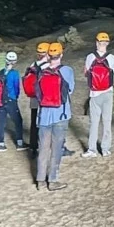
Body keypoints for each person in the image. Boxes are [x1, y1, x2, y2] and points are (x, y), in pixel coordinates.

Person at [35, 41, 77, 191]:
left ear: (48, 55)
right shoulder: (67, 70)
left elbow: (37, 93)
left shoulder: (41, 71)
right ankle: (52, 181)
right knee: (56, 149)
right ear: (61, 54)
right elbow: (70, 90)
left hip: (44, 116)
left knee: (43, 148)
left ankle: (40, 180)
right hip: (61, 115)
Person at [83, 32, 114, 157]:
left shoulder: (90, 57)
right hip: (108, 93)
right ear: (107, 43)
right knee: (107, 121)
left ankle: (92, 149)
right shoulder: (112, 58)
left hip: (94, 94)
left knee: (94, 122)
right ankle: (105, 149)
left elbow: (86, 74)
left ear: (96, 42)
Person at [0, 51, 26, 151]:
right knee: (18, 120)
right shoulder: (15, 73)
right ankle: (20, 143)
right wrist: (15, 97)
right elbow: (16, 88)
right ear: (15, 61)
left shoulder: (2, 72)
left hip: (1, 99)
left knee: (1, 122)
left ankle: (1, 143)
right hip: (11, 99)